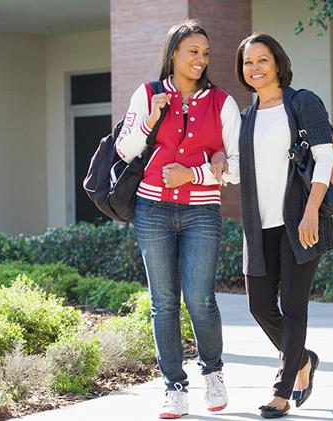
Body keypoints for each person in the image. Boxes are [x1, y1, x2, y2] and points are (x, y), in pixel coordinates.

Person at [115, 18, 240, 419]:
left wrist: (198, 173)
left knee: (200, 299)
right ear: (173, 54)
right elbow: (124, 150)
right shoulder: (148, 93)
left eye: (205, 53)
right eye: (193, 52)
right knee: (163, 302)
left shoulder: (222, 102)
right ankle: (174, 387)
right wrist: (151, 119)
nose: (201, 60)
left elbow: (238, 169)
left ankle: (214, 373)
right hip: (152, 209)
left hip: (202, 210)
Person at [234, 33, 333, 419]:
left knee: (293, 309)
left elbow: (324, 160)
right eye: (247, 62)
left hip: (298, 221)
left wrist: (311, 212)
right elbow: (241, 173)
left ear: (277, 62)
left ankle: (282, 389)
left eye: (262, 60)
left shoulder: (302, 102)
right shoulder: (246, 118)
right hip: (259, 228)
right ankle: (303, 358)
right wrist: (218, 167)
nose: (255, 68)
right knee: (259, 305)